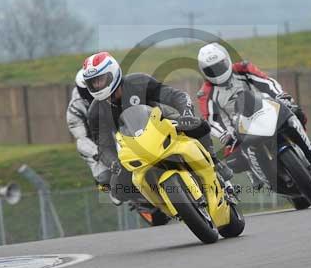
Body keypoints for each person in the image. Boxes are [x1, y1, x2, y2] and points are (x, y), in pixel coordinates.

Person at [83, 51, 235, 204]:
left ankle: (214, 163)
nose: (97, 85)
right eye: (93, 82)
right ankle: (153, 202)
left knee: (197, 125)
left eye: (100, 80)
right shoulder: (95, 112)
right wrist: (112, 162)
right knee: (118, 191)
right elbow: (103, 145)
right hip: (132, 146)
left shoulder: (138, 82)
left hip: (162, 122)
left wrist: (186, 114)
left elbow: (177, 96)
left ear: (113, 73)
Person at [196, 42, 309, 156]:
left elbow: (266, 82)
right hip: (238, 129)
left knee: (296, 113)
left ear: (227, 59)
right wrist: (224, 134)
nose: (217, 71)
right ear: (204, 71)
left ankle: (309, 148)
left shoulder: (243, 69)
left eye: (220, 66)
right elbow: (211, 119)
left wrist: (280, 95)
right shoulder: (205, 92)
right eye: (211, 70)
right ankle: (258, 171)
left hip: (265, 109)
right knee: (233, 161)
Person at [66, 69, 109, 185]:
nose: (93, 90)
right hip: (97, 144)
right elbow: (82, 138)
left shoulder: (109, 93)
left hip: (117, 134)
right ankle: (105, 183)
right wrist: (99, 153)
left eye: (95, 84)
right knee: (105, 177)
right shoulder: (75, 109)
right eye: (89, 87)